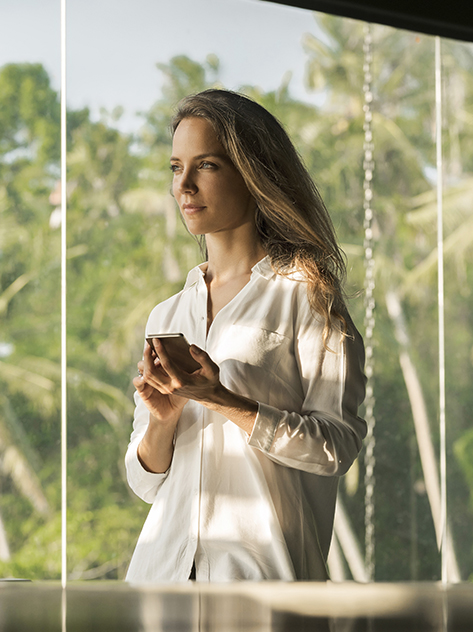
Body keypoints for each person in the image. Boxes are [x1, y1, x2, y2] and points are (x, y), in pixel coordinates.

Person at [125, 89, 366, 583]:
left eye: (206, 165)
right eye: (176, 167)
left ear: (252, 173)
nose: (184, 185)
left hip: (264, 585)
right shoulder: (167, 314)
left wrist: (223, 400)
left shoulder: (306, 295)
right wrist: (163, 421)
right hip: (159, 578)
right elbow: (143, 480)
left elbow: (337, 446)